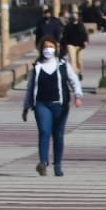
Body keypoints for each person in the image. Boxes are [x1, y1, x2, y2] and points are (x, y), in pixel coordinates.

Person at [22, 35, 82, 177]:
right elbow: (30, 88)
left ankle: (58, 165)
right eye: (45, 47)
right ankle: (43, 162)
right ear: (41, 49)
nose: (48, 49)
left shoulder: (62, 65)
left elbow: (74, 80)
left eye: (51, 46)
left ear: (56, 48)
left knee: (58, 135)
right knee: (44, 131)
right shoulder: (37, 67)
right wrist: (26, 107)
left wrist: (78, 95)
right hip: (41, 104)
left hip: (59, 105)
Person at [62, 9, 89, 79]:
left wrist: (85, 41)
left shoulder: (81, 25)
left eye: (76, 14)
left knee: (79, 61)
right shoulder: (68, 25)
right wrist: (63, 45)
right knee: (72, 60)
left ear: (78, 16)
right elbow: (64, 35)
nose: (74, 16)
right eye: (73, 14)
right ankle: (73, 75)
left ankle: (79, 72)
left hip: (79, 45)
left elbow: (85, 34)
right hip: (70, 44)